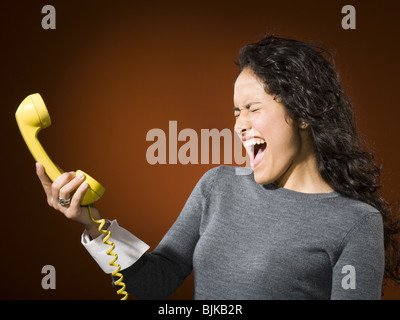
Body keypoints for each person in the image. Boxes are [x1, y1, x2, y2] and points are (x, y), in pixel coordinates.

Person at [36, 34, 400, 299]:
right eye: (236, 111)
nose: (239, 124)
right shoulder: (217, 186)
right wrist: (92, 223)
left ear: (303, 113)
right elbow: (151, 284)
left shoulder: (355, 223)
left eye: (253, 108)